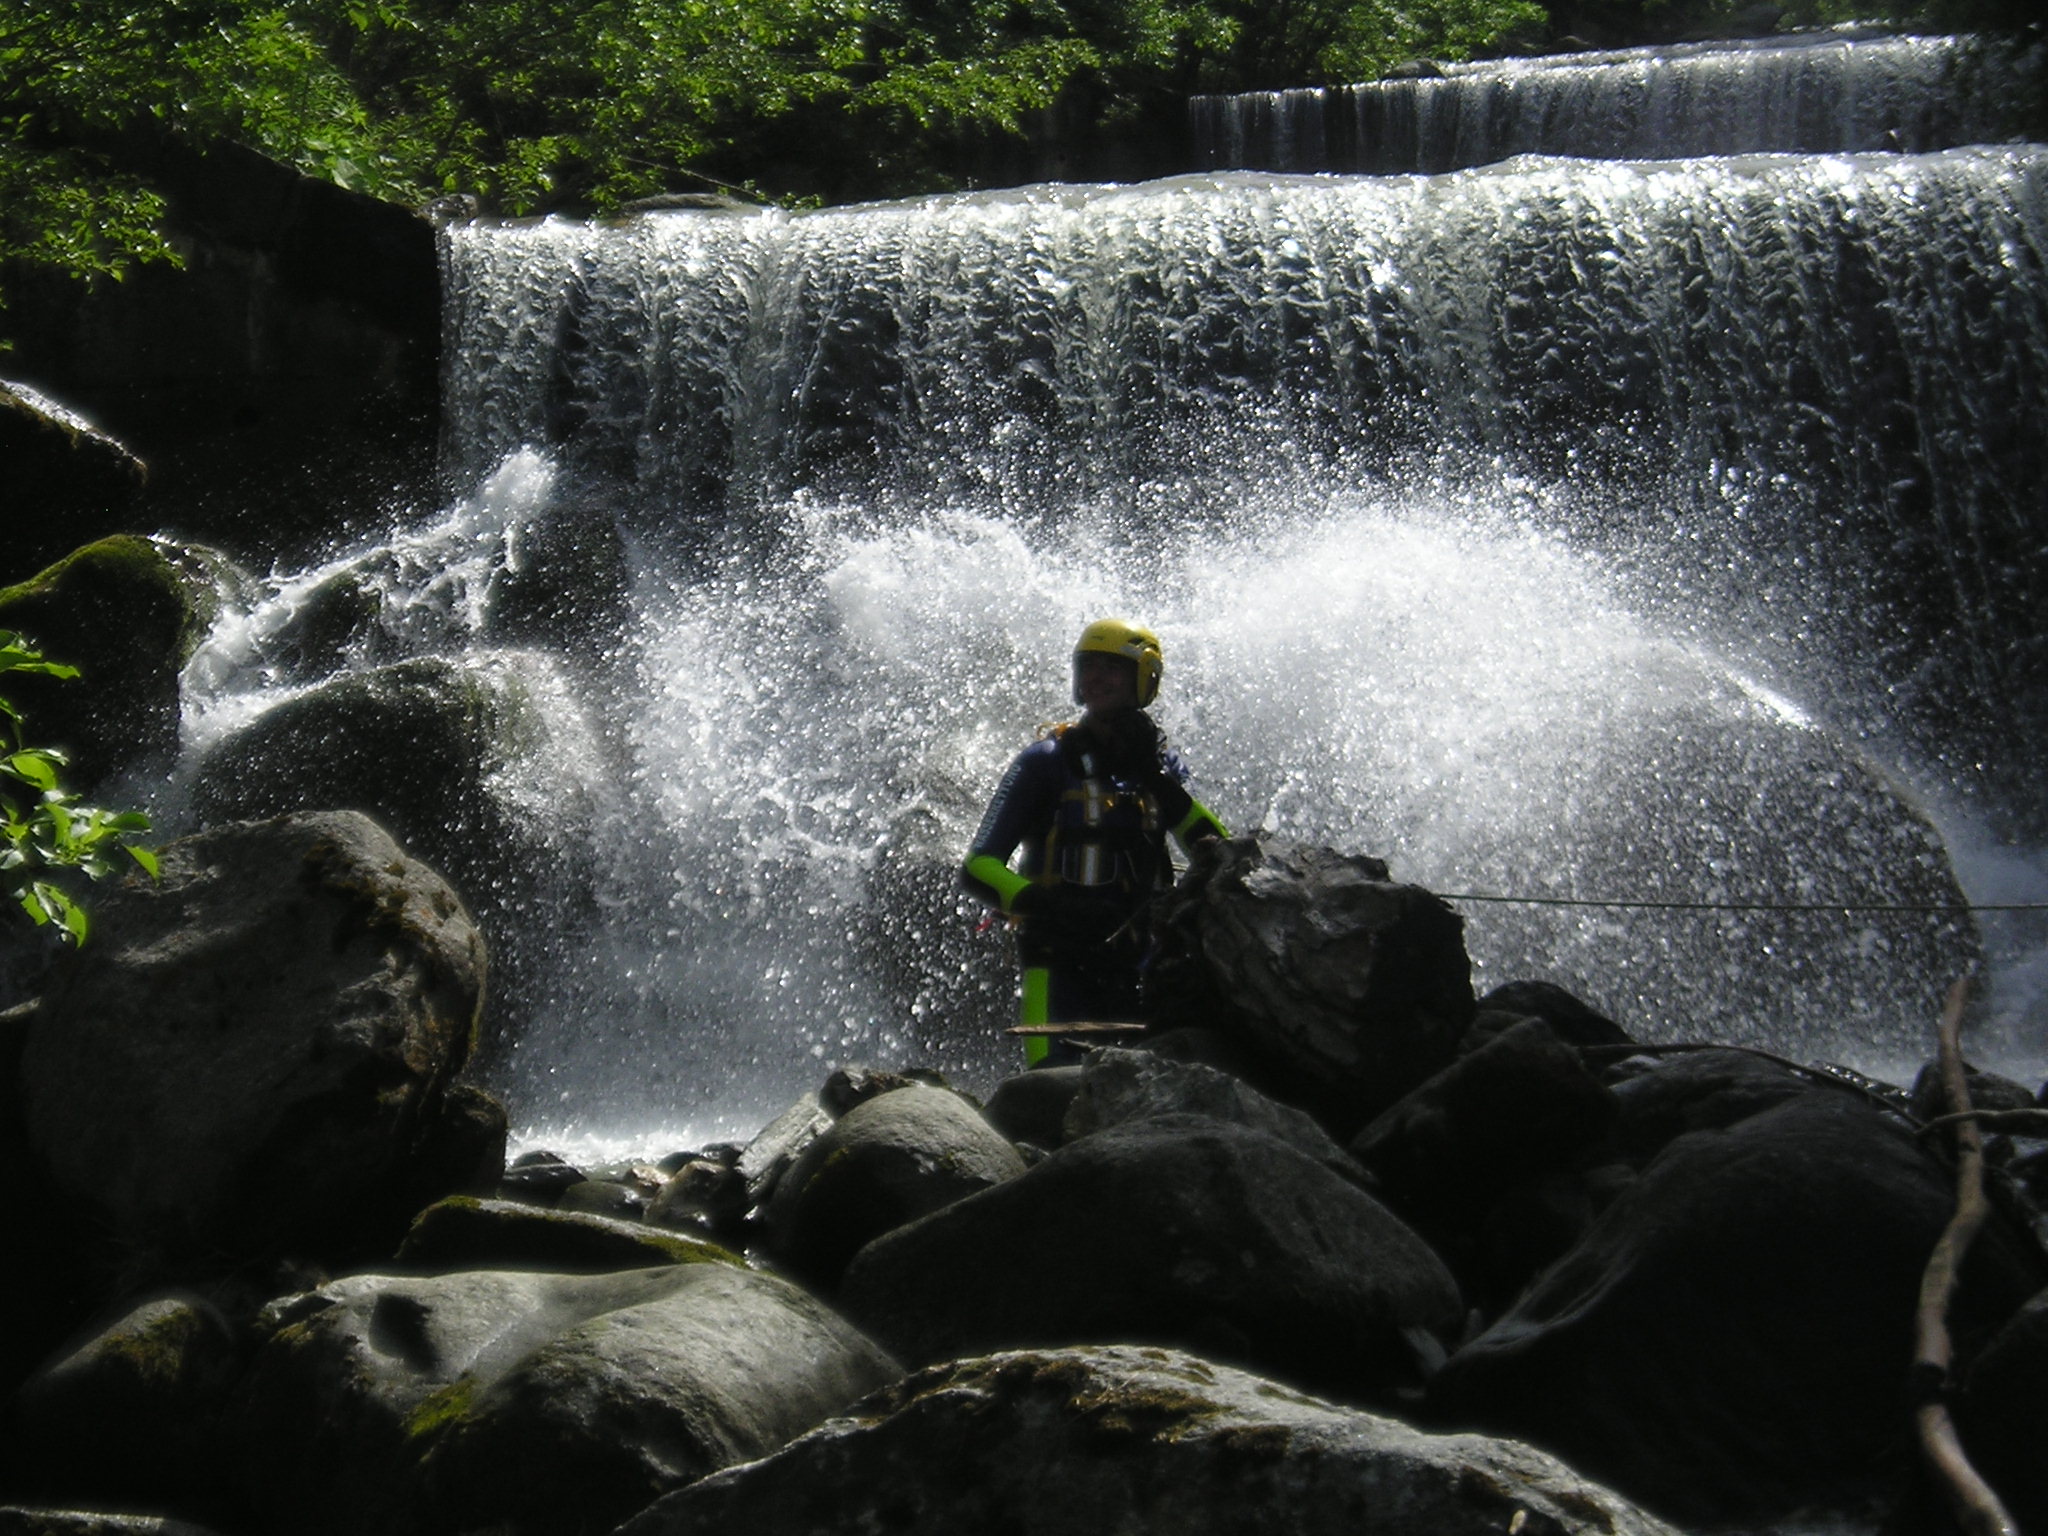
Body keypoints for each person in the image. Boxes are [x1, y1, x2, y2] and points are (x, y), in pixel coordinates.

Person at [962, 619, 1228, 1065]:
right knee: (1052, 1089)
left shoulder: (1162, 767)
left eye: (1113, 669)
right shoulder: (1045, 762)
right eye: (1089, 667)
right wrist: (1051, 907)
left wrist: (1157, 779)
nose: (1097, 680)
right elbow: (978, 866)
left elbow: (1217, 851)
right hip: (1058, 962)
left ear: (1144, 680)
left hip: (1140, 966)